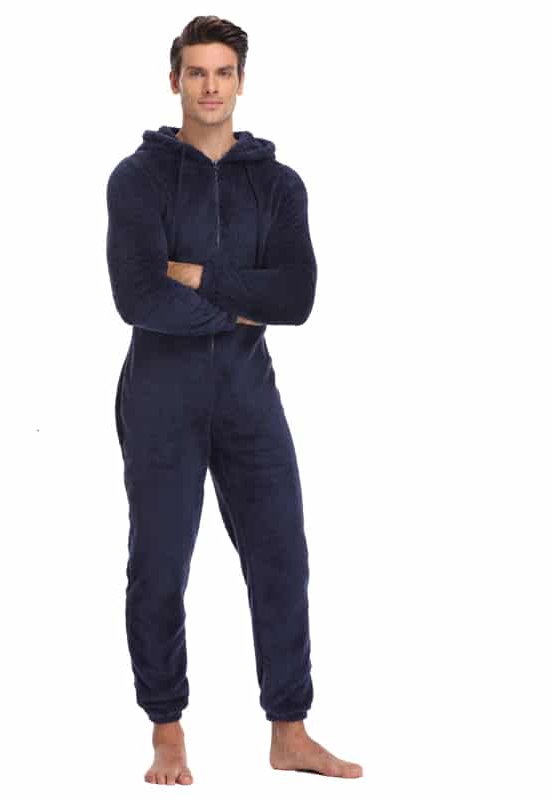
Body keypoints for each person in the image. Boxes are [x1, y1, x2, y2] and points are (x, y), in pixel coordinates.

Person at [106, 15, 363, 785]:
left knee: (282, 554)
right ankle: (167, 733)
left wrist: (200, 276)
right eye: (197, 72)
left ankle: (290, 731)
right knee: (159, 563)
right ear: (175, 80)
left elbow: (298, 296)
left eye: (223, 72)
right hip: (160, 393)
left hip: (249, 394)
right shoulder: (137, 178)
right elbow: (138, 297)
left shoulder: (277, 184)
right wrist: (242, 305)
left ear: (241, 81)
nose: (210, 86)